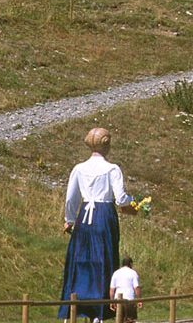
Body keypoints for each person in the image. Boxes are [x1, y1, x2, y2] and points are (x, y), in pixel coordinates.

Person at [58, 127, 137, 323]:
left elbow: (71, 198)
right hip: (104, 215)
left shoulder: (79, 168)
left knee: (80, 259)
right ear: (107, 145)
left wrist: (69, 219)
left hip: (85, 215)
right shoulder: (112, 169)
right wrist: (134, 204)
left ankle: (74, 308)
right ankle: (99, 312)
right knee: (103, 258)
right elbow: (120, 199)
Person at [109, 256, 141, 323]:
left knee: (119, 320)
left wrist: (112, 301)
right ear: (130, 264)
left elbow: (112, 289)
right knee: (130, 320)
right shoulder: (133, 273)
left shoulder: (116, 273)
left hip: (117, 300)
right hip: (129, 300)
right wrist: (139, 300)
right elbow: (136, 288)